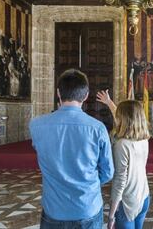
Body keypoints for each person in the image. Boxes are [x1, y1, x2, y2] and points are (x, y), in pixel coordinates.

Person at [29, 69, 114, 229]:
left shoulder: (36, 125)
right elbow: (108, 172)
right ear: (86, 95)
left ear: (58, 93)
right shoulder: (98, 128)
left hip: (54, 209)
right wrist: (87, 183)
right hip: (87, 207)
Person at [96, 90, 150, 229]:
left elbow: (120, 181)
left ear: (123, 119)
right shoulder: (143, 139)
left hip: (127, 202)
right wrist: (109, 102)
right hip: (143, 196)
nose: (116, 118)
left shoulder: (121, 145)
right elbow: (129, 117)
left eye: (119, 116)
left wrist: (111, 215)